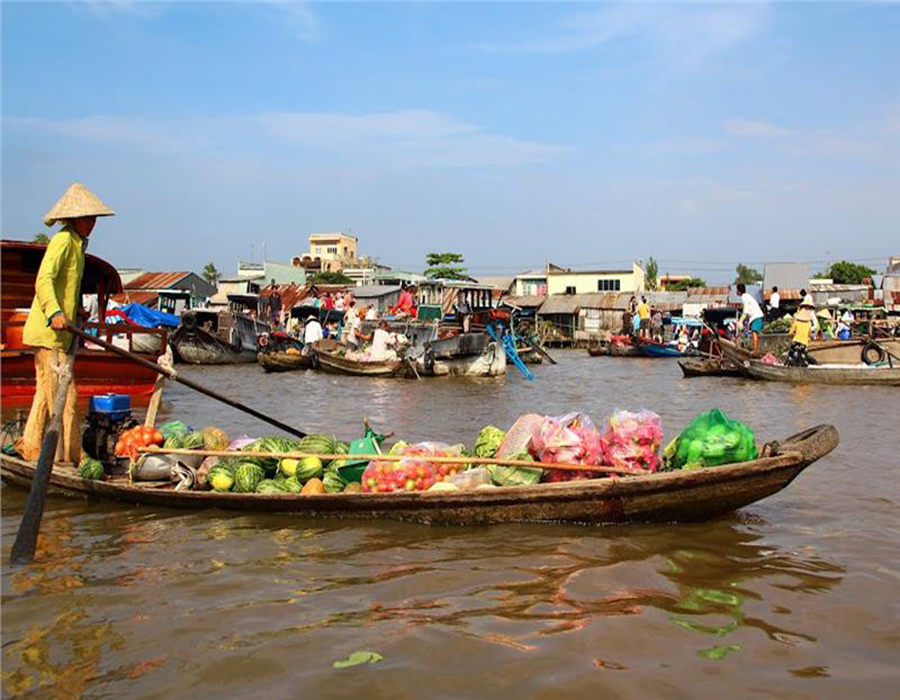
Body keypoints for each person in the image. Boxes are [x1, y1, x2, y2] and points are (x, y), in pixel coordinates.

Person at [16, 183, 115, 463]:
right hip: (48, 333)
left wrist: (75, 314)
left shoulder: (77, 246)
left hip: (60, 335)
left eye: (94, 219)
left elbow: (67, 287)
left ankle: (31, 444)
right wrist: (55, 312)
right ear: (73, 219)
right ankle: (73, 455)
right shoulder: (62, 241)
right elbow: (43, 280)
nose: (92, 224)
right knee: (66, 397)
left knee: (46, 394)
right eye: (87, 218)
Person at [736, 283, 764, 354]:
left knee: (754, 332)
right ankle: (751, 348)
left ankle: (755, 350)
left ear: (739, 291)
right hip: (755, 317)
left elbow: (746, 311)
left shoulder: (744, 297)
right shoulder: (747, 296)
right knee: (749, 332)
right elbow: (747, 312)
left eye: (737, 290)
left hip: (756, 317)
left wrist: (740, 321)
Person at [786, 300, 815, 366]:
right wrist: (808, 339)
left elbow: (790, 333)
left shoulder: (796, 322)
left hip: (796, 341)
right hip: (804, 343)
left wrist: (795, 333)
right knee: (804, 358)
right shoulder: (809, 323)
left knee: (791, 357)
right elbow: (809, 335)